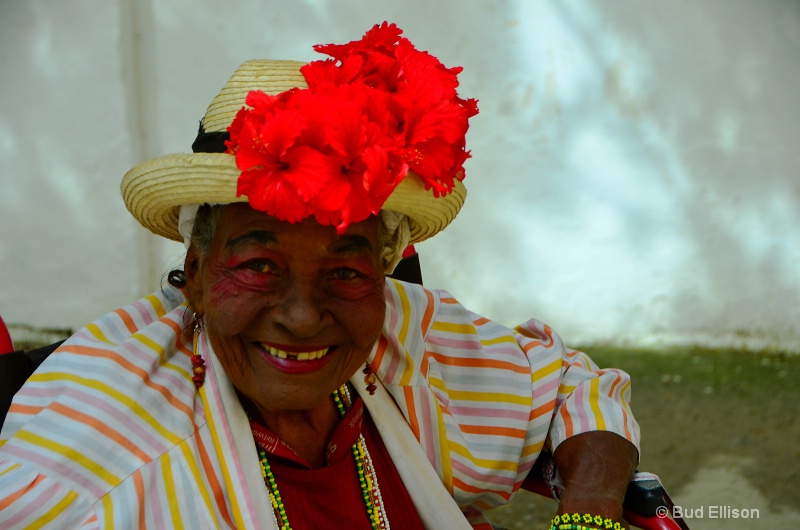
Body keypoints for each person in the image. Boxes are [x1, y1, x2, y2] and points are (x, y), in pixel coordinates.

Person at [0, 22, 639, 530]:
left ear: (383, 274)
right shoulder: (100, 464)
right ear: (193, 273)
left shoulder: (402, 337)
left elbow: (569, 384)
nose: (302, 317)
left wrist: (588, 516)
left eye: (345, 271)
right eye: (258, 266)